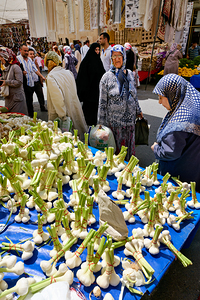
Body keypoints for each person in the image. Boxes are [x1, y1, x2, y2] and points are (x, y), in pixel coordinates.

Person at [151, 74, 200, 192]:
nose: (159, 102)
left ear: (173, 95)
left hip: (179, 175)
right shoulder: (193, 105)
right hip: (194, 169)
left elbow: (170, 152)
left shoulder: (179, 123)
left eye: (161, 97)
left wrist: (156, 148)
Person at [97, 45, 143, 160]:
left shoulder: (130, 75)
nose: (117, 59)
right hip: (115, 124)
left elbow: (134, 95)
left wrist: (138, 110)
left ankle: (129, 171)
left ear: (124, 57)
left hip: (130, 123)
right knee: (116, 155)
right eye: (114, 56)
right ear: (111, 58)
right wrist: (100, 125)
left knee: (128, 151)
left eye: (119, 56)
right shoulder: (106, 78)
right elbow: (102, 103)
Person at [44, 51, 88, 139]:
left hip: (60, 114)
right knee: (78, 135)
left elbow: (58, 99)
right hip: (74, 107)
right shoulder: (68, 73)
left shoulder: (51, 77)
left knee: (64, 140)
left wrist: (63, 117)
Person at [76, 43, 105, 126]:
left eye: (98, 50)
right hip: (88, 96)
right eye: (95, 50)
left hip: (97, 94)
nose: (97, 52)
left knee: (96, 117)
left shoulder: (99, 62)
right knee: (88, 117)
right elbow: (81, 79)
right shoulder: (85, 63)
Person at [17, 44, 46, 118]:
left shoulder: (29, 60)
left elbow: (35, 69)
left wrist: (42, 76)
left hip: (31, 83)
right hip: (24, 84)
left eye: (27, 51)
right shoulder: (18, 59)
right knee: (27, 101)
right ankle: (28, 115)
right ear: (20, 50)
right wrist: (21, 72)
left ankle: (31, 115)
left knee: (30, 100)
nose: (26, 52)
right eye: (25, 51)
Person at [0, 47, 28, 115]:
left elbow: (19, 82)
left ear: (7, 57)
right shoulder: (4, 68)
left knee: (19, 118)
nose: (0, 59)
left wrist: (6, 82)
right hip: (8, 98)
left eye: (1, 57)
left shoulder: (15, 67)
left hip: (17, 99)